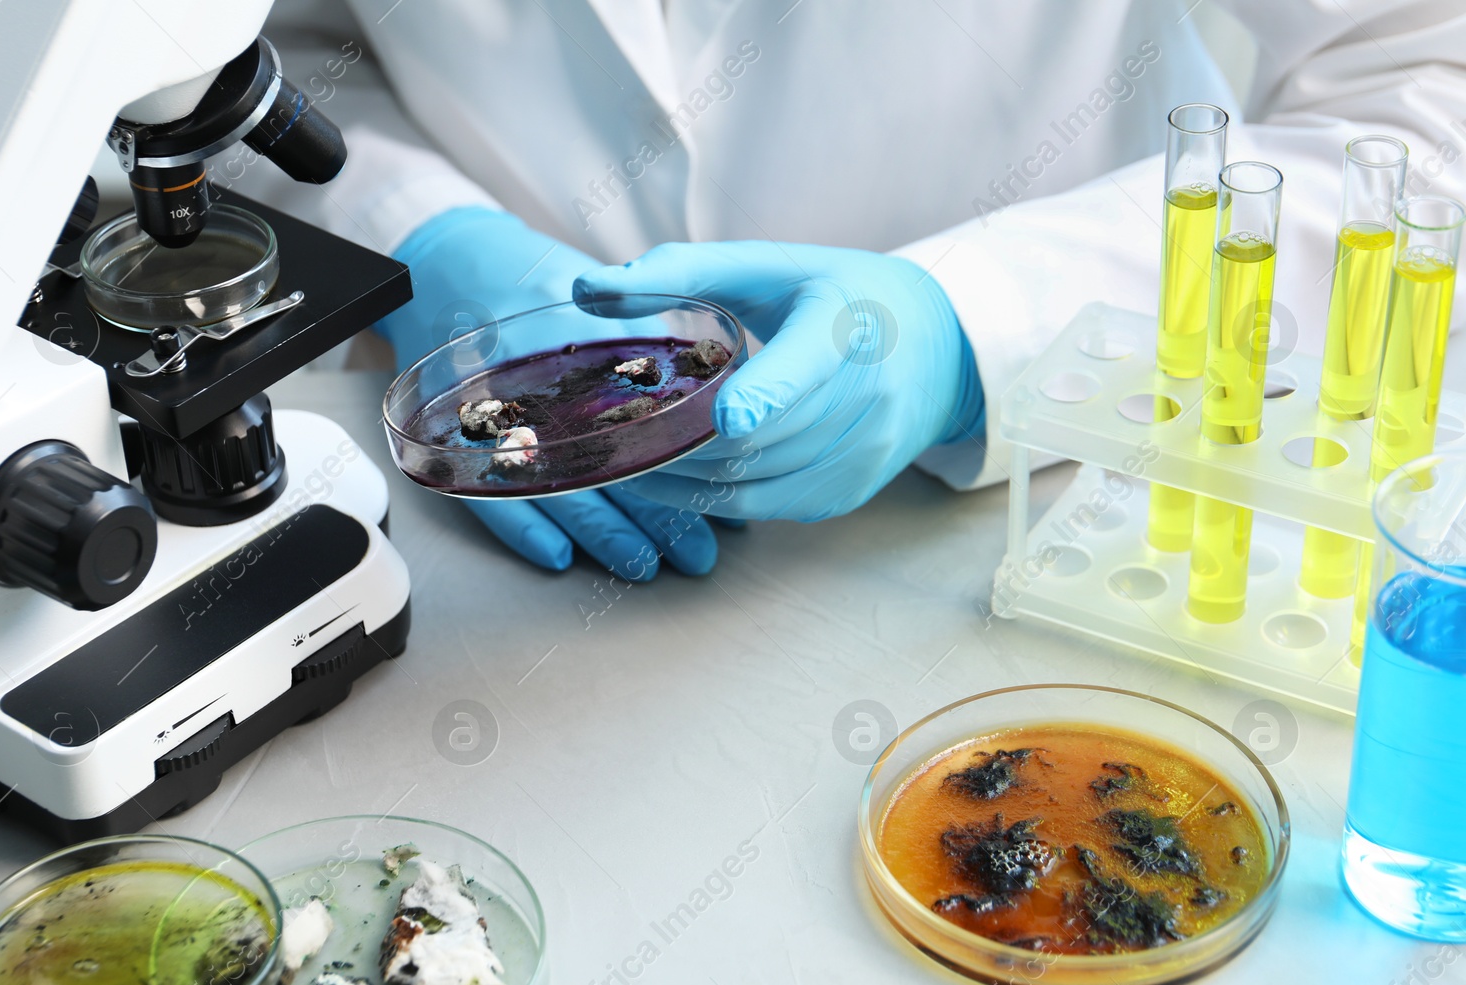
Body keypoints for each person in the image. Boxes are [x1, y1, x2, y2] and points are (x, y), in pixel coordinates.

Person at [241, 0, 1466, 579]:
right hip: (516, 522)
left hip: (1095, 506)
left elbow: (1422, 82)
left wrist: (974, 326)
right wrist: (409, 236)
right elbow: (218, 60)